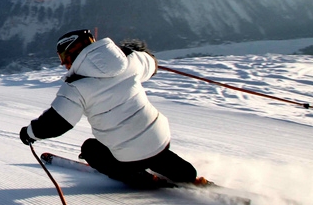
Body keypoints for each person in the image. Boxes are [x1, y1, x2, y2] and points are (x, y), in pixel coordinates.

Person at [20, 28, 207, 189]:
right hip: (160, 137)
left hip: (127, 155)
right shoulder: (129, 59)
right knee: (154, 152)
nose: (64, 64)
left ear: (73, 54)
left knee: (90, 149)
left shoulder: (75, 87)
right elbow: (152, 64)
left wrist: (30, 133)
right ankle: (187, 175)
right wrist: (138, 52)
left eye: (64, 58)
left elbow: (56, 123)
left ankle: (138, 177)